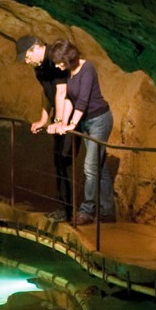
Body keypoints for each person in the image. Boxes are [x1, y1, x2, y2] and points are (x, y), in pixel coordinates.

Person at [46, 39, 116, 225]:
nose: (58, 66)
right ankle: (107, 212)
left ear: (67, 58)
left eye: (59, 62)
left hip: (100, 120)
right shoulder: (70, 72)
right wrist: (63, 122)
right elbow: (69, 99)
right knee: (99, 166)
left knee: (90, 166)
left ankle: (87, 211)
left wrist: (72, 124)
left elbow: (83, 101)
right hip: (86, 123)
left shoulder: (87, 69)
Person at [15, 35, 71, 222]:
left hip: (70, 116)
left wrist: (59, 121)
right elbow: (47, 93)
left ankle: (68, 210)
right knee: (58, 160)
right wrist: (44, 119)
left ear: (36, 48)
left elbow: (62, 92)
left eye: (27, 56)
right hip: (59, 118)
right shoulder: (38, 67)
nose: (26, 61)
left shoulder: (56, 57)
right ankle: (63, 207)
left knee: (65, 160)